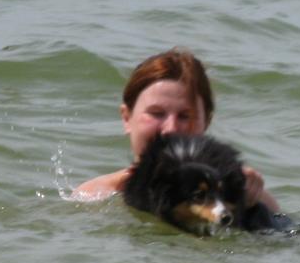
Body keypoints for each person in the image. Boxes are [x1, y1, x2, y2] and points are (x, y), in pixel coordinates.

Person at [72, 48, 280, 212]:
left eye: (185, 116)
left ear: (206, 122)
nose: (171, 129)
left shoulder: (252, 197)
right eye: (156, 113)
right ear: (127, 118)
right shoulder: (92, 197)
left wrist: (242, 206)